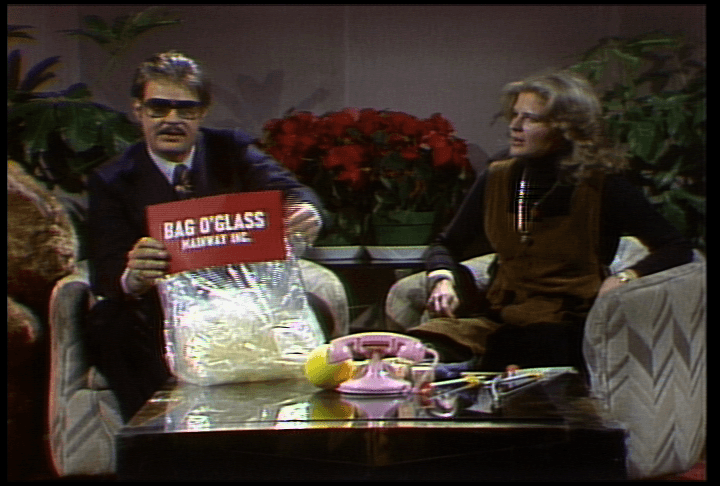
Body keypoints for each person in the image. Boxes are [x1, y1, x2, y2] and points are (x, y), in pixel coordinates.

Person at [85, 51, 345, 421]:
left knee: (313, 308)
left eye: (186, 109)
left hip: (241, 300)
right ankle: (159, 436)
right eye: (158, 108)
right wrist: (133, 275)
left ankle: (293, 431)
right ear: (138, 110)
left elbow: (292, 192)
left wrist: (307, 212)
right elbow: (106, 272)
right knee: (109, 325)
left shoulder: (231, 150)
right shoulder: (111, 180)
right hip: (161, 308)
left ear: (203, 112)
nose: (172, 120)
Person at [395, 70, 693, 371]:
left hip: (567, 323)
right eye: (515, 115)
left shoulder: (602, 185)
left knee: (526, 350)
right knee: (410, 352)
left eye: (531, 119)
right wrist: (443, 279)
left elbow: (676, 247)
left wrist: (625, 278)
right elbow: (445, 244)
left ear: (566, 129)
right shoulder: (496, 178)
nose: (515, 126)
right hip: (499, 319)